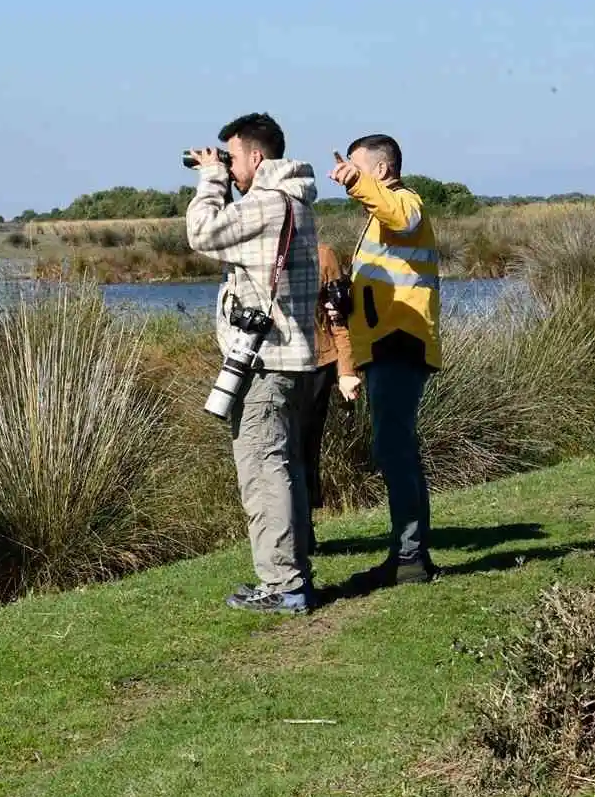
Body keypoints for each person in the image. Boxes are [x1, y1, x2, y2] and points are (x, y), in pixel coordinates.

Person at [186, 113, 321, 614]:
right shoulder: (294, 202)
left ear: (256, 156)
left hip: (266, 365)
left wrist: (210, 179)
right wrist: (225, 173)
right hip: (291, 361)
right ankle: (292, 575)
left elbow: (201, 233)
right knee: (283, 466)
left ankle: (283, 584)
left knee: (264, 470)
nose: (229, 165)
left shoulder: (266, 205)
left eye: (233, 156)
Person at [329, 134, 443, 586]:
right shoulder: (378, 218)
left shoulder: (403, 201)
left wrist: (358, 182)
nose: (344, 177)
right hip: (387, 344)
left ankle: (410, 559)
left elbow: (404, 216)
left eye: (353, 168)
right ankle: (410, 555)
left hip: (402, 341)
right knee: (398, 449)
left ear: (381, 169)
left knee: (394, 449)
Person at [297, 241, 359, 555]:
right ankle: (279, 535)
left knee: (306, 448)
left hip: (316, 365)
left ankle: (303, 532)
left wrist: (346, 370)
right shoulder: (257, 248)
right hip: (270, 367)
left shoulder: (323, 255)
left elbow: (338, 320)